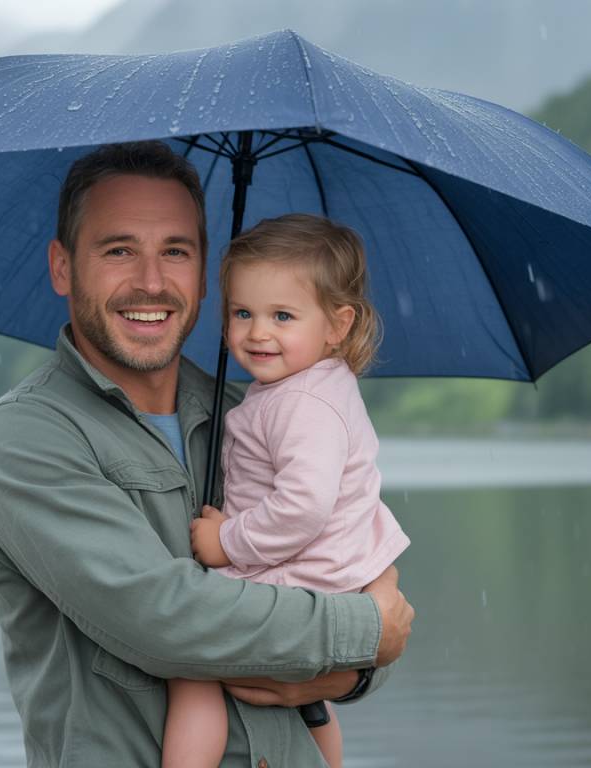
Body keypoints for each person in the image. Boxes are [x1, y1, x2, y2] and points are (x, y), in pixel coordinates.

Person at [0, 141, 415, 767]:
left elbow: (363, 585)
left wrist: (350, 671)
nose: (151, 281)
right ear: (63, 267)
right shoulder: (23, 440)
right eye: (119, 250)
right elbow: (163, 620)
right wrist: (362, 632)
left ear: (204, 275)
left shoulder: (258, 413)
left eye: (175, 251)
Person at [164, 214, 411, 768]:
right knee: (313, 703)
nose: (257, 333)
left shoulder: (304, 405)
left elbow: (302, 508)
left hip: (300, 577)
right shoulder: (311, 388)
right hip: (329, 579)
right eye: (242, 313)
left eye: (282, 315)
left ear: (338, 325)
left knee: (192, 667)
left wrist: (227, 541)